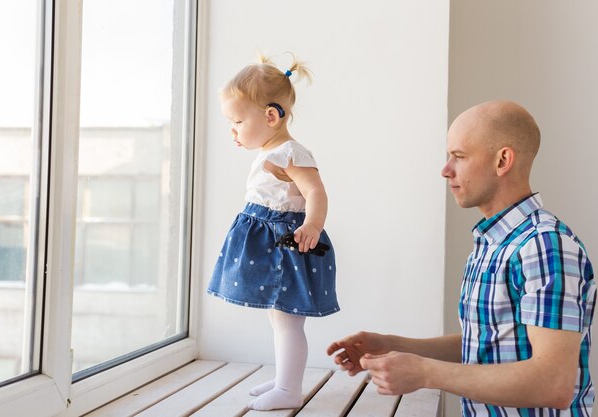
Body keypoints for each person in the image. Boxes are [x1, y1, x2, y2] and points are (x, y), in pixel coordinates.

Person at [327, 100, 596, 416]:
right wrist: (393, 346)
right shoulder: (493, 243)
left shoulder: (544, 245)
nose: (445, 170)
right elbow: (485, 346)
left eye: (459, 156)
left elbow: (552, 383)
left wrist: (425, 372)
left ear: (503, 161)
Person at [207, 53, 339, 411]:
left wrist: (312, 224)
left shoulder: (290, 153)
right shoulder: (272, 152)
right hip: (272, 244)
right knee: (277, 317)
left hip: (286, 247)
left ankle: (289, 390)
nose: (232, 130)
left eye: (236, 121)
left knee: (287, 321)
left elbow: (315, 192)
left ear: (270, 116)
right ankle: (285, 379)